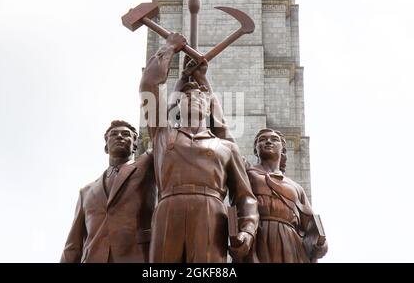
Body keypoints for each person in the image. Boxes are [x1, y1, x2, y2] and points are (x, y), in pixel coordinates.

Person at [139, 32, 258, 263]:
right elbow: (148, 85)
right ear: (178, 104)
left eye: (200, 96)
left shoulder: (225, 147)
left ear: (209, 105)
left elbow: (245, 197)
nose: (194, 97)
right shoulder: (163, 134)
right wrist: (169, 48)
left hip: (211, 215)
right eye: (187, 95)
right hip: (168, 212)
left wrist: (247, 230)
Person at [60, 120, 156, 263]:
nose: (119, 136)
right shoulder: (85, 192)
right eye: (114, 134)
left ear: (135, 145)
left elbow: (162, 136)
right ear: (106, 147)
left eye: (126, 134)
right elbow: (73, 245)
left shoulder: (146, 165)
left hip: (137, 257)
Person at [244, 128, 328, 263]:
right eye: (262, 139)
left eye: (274, 139)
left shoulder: (296, 188)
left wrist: (320, 245)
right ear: (255, 149)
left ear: (283, 149)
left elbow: (310, 225)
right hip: (259, 235)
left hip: (291, 242)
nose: (268, 142)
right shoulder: (247, 173)